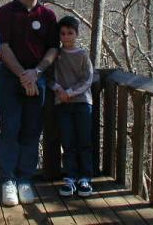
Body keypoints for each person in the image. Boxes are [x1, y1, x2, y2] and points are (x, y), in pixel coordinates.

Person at [0, 0, 59, 206]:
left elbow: (53, 48)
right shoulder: (4, 13)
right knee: (10, 129)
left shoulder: (48, 16)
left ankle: (24, 180)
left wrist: (37, 72)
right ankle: (8, 181)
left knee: (32, 131)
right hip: (11, 79)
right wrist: (23, 74)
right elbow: (3, 47)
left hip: (37, 79)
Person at [48, 15, 94, 197]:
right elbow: (49, 77)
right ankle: (70, 176)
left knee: (84, 141)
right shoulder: (56, 55)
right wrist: (60, 90)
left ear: (76, 34)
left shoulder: (82, 55)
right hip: (62, 103)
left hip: (82, 102)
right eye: (63, 33)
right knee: (67, 142)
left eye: (70, 33)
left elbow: (88, 78)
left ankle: (85, 177)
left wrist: (71, 92)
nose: (66, 37)